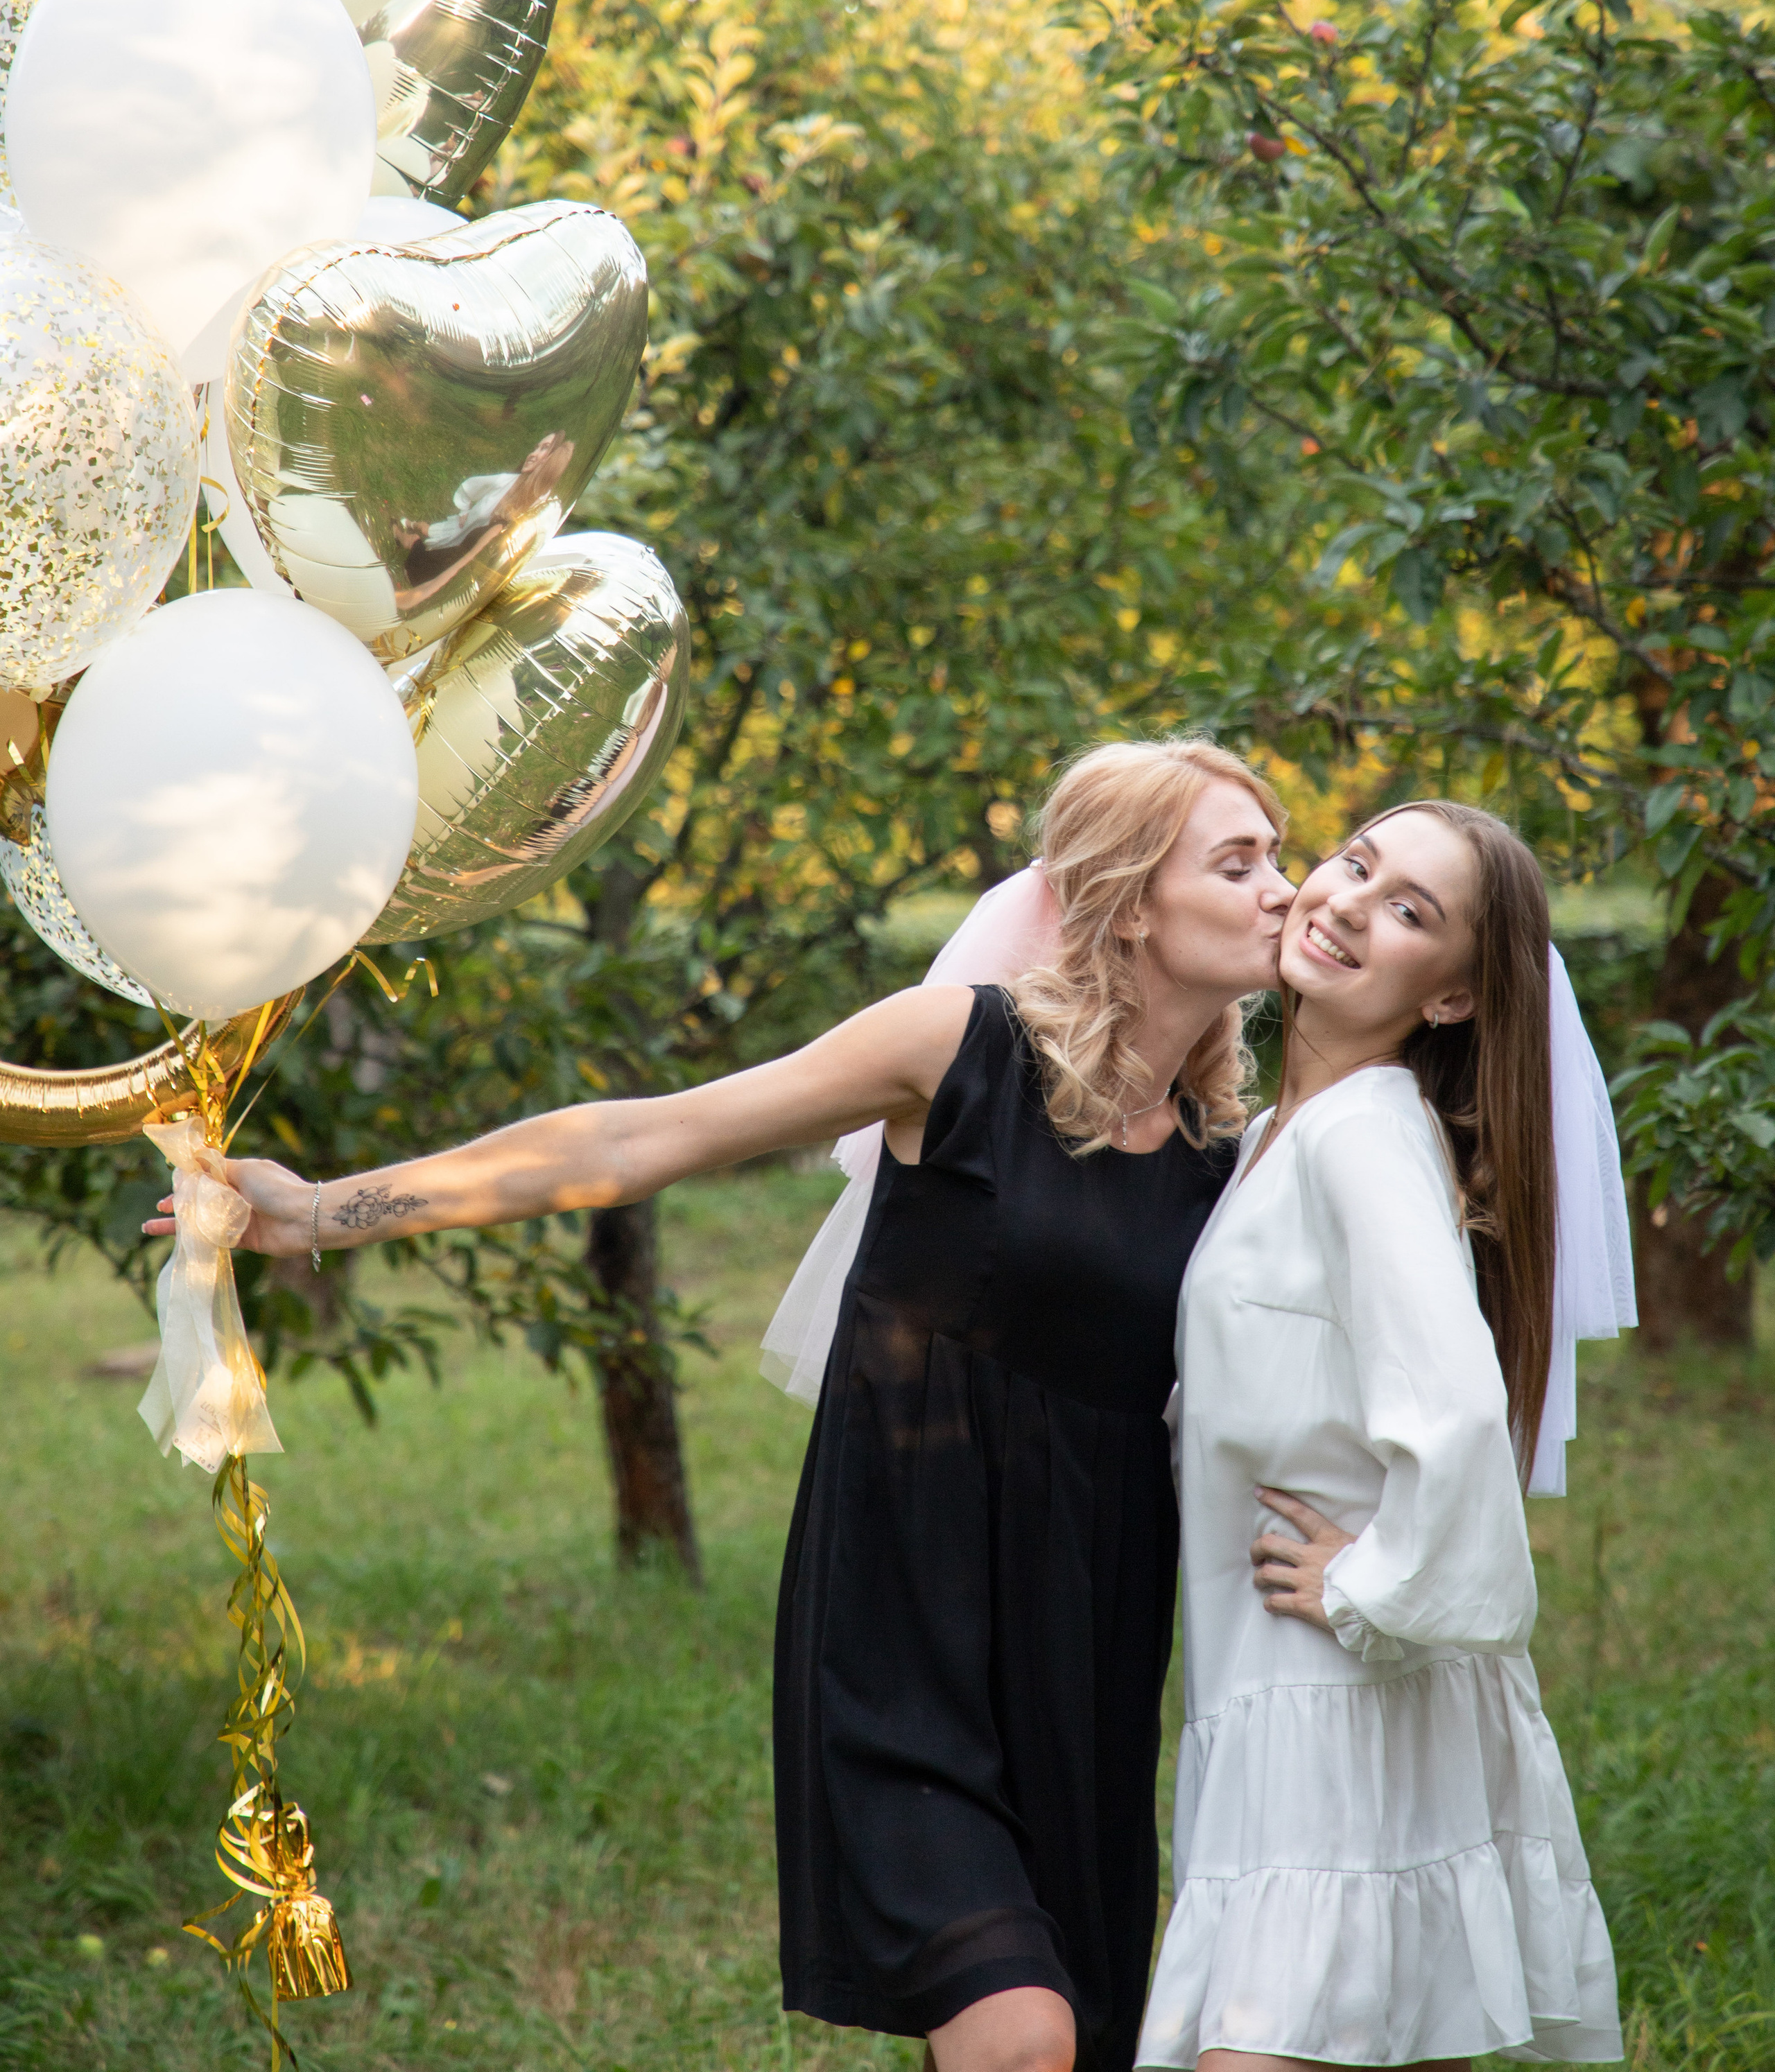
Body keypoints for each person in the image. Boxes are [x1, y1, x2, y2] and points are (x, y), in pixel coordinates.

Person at [148, 736, 1297, 2072]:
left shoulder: (1231, 1158)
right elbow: (642, 1139)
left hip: (1084, 1634)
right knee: (1021, 2033)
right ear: (1132, 899)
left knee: (1074, 2031)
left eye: (1278, 856)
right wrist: (330, 1212)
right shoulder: (961, 1056)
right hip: (903, 1617)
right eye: (1240, 860)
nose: (1286, 886)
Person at [1137, 801, 1625, 2072]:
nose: (1350, 901)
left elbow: (1458, 1409)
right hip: (1292, 1686)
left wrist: (1371, 1582)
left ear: (1455, 997)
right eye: (1355, 863)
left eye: (1411, 910)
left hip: (1337, 1692)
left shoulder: (1362, 1135)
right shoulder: (1272, 1138)